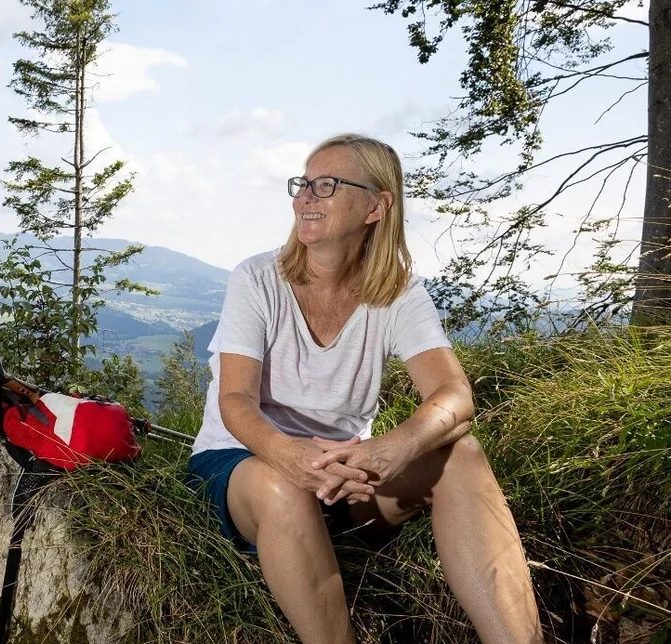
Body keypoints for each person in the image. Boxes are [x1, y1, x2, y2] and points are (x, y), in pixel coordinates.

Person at [187, 133, 542, 643]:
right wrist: (290, 457)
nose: (303, 197)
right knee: (280, 485)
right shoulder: (258, 278)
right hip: (244, 464)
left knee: (460, 454)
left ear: (376, 206)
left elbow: (455, 397)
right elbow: (236, 401)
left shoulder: (398, 291)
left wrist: (393, 448)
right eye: (303, 184)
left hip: (345, 476)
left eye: (325, 185)